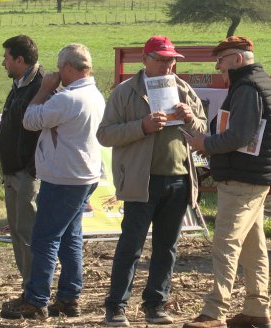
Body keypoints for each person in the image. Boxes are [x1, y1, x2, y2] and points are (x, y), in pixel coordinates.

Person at [96, 35, 207, 326]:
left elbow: (204, 131)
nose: (168, 65)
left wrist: (190, 118)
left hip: (179, 180)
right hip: (139, 181)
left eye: (171, 60)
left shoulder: (183, 90)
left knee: (166, 248)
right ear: (145, 60)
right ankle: (116, 307)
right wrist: (141, 127)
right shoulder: (124, 92)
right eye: (161, 59)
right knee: (131, 245)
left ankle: (155, 305)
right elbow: (105, 134)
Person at [0, 43, 105, 319]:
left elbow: (30, 120)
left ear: (69, 67)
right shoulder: (94, 95)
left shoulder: (67, 98)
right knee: (71, 237)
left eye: (61, 68)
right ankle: (69, 297)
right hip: (84, 175)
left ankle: (36, 300)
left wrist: (45, 90)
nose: (58, 73)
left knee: (45, 239)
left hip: (63, 178)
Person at [183, 36, 271, 328]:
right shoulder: (260, 81)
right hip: (255, 176)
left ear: (236, 59)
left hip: (242, 179)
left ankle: (214, 312)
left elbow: (239, 135)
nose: (218, 67)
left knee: (226, 244)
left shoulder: (246, 88)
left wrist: (205, 143)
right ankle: (257, 310)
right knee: (252, 246)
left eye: (221, 61)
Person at [0, 35, 43, 299]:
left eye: (6, 58)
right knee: (17, 232)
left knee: (29, 233)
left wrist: (31, 169)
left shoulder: (40, 86)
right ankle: (28, 287)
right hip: (12, 172)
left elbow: (42, 130)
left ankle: (36, 289)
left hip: (28, 173)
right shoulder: (19, 85)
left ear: (20, 60)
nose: (3, 63)